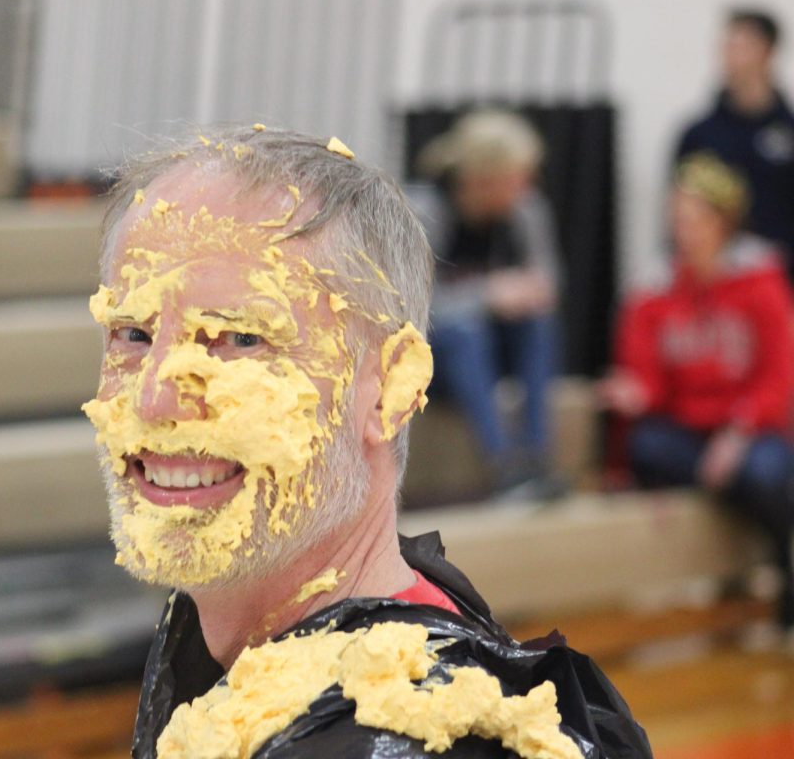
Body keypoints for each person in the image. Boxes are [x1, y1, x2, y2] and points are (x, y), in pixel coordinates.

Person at [84, 125, 650, 758]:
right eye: (132, 334)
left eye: (241, 339)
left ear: (389, 391)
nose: (153, 398)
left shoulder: (420, 729)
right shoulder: (227, 638)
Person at [601, 153, 794, 629]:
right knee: (648, 447)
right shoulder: (655, 286)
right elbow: (650, 376)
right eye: (677, 218)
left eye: (694, 218)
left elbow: (780, 373)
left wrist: (738, 433)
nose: (682, 229)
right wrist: (636, 392)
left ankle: (785, 578)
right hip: (688, 434)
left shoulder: (760, 280)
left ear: (723, 221)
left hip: (749, 428)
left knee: (763, 474)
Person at [407, 111, 562, 498]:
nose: (526, 188)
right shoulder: (426, 209)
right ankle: (504, 465)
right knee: (466, 331)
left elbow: (550, 282)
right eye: (516, 179)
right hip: (438, 355)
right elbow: (408, 307)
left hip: (498, 346)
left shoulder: (526, 211)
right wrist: (486, 294)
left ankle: (537, 457)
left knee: (539, 323)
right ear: (482, 180)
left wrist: (532, 292)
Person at [676, 9, 794, 273]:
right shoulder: (700, 135)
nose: (731, 55)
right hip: (716, 283)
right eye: (727, 45)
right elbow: (679, 211)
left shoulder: (788, 132)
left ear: (768, 52)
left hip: (782, 282)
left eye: (742, 45)